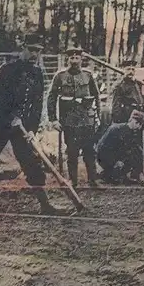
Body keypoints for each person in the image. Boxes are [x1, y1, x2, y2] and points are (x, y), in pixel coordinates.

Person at [0, 37, 59, 214]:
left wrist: (32, 128)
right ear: (23, 48)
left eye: (38, 50)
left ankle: (45, 205)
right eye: (31, 49)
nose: (34, 54)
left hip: (22, 129)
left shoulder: (37, 73)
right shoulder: (8, 69)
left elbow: (37, 104)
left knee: (31, 163)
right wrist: (9, 116)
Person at [47, 47, 101, 188]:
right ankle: (73, 182)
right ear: (68, 59)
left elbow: (96, 96)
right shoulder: (60, 76)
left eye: (77, 58)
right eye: (72, 58)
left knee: (90, 150)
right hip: (69, 121)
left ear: (81, 60)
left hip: (87, 120)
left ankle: (93, 180)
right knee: (72, 152)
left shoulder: (88, 76)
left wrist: (98, 116)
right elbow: (51, 97)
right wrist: (53, 119)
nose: (75, 61)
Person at [97, 110, 144, 184]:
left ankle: (121, 175)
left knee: (135, 153)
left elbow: (137, 150)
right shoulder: (116, 129)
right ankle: (107, 175)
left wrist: (139, 171)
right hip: (105, 157)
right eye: (138, 124)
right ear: (134, 121)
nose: (138, 127)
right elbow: (102, 149)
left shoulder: (132, 132)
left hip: (115, 155)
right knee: (119, 167)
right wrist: (115, 161)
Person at [111, 58, 144, 124]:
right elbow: (116, 104)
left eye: (133, 69)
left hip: (138, 113)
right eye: (128, 69)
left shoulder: (136, 83)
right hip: (127, 115)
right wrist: (118, 120)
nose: (131, 72)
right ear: (123, 70)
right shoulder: (120, 85)